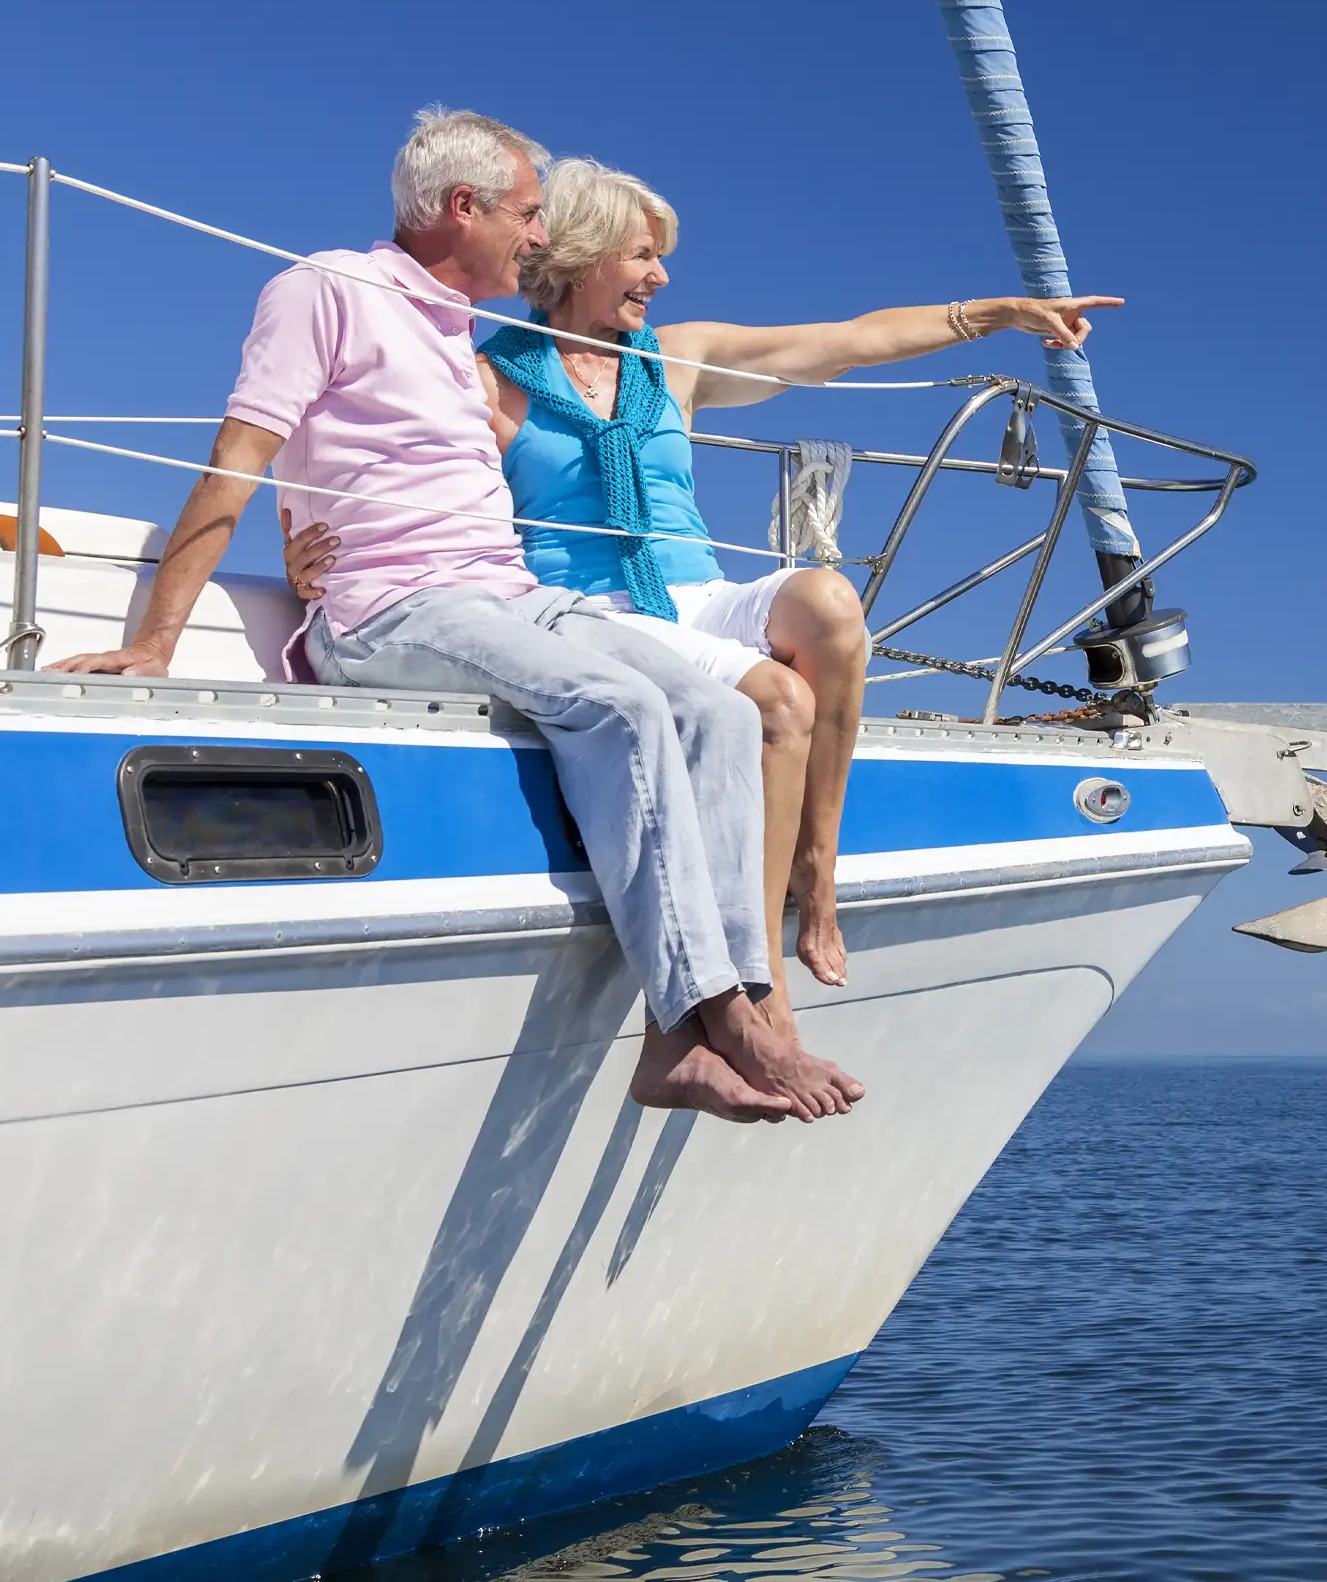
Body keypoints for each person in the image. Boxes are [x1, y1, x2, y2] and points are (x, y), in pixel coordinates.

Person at [51, 109, 862, 1128]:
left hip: (507, 593)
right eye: (527, 215)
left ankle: (683, 1037)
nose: (538, 238)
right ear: (462, 207)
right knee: (619, 705)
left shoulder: (456, 332)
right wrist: (158, 639)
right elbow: (244, 455)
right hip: (394, 605)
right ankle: (723, 1013)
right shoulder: (325, 289)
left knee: (720, 712)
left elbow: (367, 460)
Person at [282, 156, 1112, 1013]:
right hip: (589, 611)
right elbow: (385, 466)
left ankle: (815, 870)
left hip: (696, 593)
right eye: (643, 255)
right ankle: (764, 971)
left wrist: (1002, 314)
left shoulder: (674, 360)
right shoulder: (487, 381)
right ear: (583, 253)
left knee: (830, 601)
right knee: (778, 697)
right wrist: (305, 553)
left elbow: (847, 340)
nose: (660, 275)